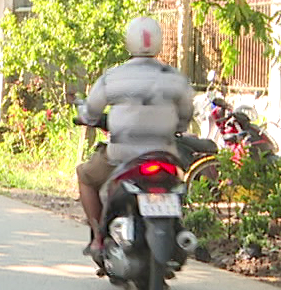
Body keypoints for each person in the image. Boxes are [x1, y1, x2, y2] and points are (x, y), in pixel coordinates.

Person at [76, 15, 195, 259]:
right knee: (177, 188)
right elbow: (186, 115)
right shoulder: (175, 78)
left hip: (122, 155)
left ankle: (98, 239)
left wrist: (85, 115)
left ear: (128, 42)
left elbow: (91, 112)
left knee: (85, 176)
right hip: (165, 156)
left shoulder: (113, 77)